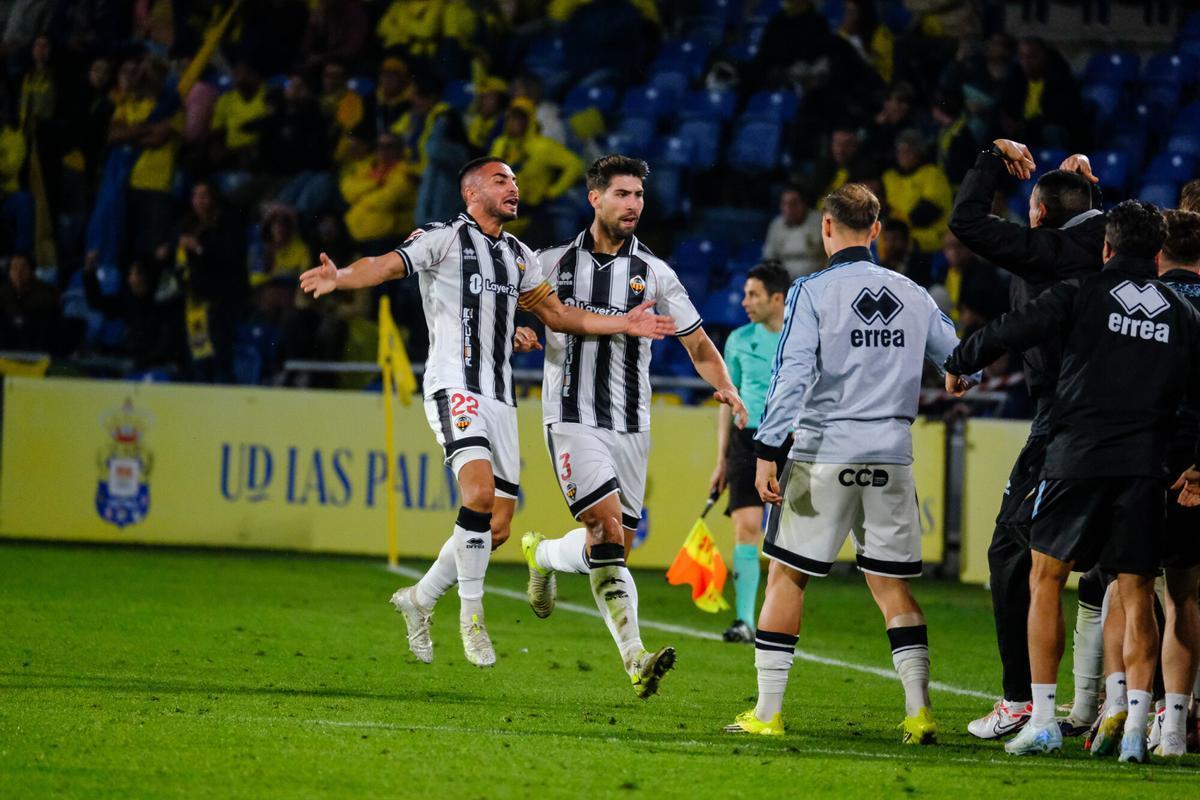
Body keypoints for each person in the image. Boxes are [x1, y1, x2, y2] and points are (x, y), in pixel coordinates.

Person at [298, 157, 676, 668]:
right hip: (454, 385)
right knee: (476, 494)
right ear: (471, 193)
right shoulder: (443, 238)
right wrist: (341, 276)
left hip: (500, 398)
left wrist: (619, 326)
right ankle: (472, 619)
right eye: (502, 181)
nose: (514, 188)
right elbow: (386, 264)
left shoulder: (520, 256)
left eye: (517, 181)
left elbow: (558, 315)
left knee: (496, 526)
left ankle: (420, 599)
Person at [944, 200, 1200, 763]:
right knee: (1135, 595)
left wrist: (962, 359)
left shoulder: (1080, 292)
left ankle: (1040, 718)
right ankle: (1136, 726)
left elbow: (1011, 328)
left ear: (1107, 247)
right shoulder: (1183, 314)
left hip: (1076, 458)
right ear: (1158, 254)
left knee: (1045, 577)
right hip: (1144, 468)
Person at [724, 184, 966, 742]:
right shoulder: (912, 292)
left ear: (825, 229)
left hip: (821, 453)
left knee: (787, 577)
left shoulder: (810, 292)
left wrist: (766, 452)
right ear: (876, 229)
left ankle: (766, 714)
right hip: (890, 455)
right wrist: (957, 374)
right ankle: (919, 712)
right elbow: (960, 362)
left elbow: (791, 379)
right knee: (892, 589)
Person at [520, 155, 749, 697]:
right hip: (572, 416)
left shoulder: (657, 274)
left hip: (631, 424)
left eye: (639, 195)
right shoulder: (551, 263)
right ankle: (634, 657)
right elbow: (511, 315)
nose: (633, 205)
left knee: (613, 548)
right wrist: (516, 336)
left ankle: (544, 554)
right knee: (602, 525)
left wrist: (727, 385)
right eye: (622, 194)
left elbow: (697, 343)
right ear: (594, 197)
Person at [948, 138, 1107, 740]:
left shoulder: (1047, 252)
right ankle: (1131, 710)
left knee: (1014, 554)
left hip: (1061, 420)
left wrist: (992, 156)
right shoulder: (1108, 241)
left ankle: (1021, 702)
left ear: (1038, 215)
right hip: (1132, 417)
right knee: (1126, 567)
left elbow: (967, 221)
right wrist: (1090, 192)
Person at [710, 262, 791, 643]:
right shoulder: (739, 339)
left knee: (788, 537)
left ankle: (778, 619)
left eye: (753, 294)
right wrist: (721, 459)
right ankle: (744, 620)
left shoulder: (803, 338)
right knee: (746, 527)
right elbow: (728, 401)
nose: (744, 301)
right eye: (744, 293)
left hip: (792, 441)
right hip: (747, 441)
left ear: (777, 298)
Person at [762, 187, 824, 279]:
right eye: (784, 204)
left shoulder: (820, 221)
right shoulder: (777, 224)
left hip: (817, 280)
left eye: (793, 204)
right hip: (786, 283)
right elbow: (769, 257)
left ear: (804, 204)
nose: (788, 208)